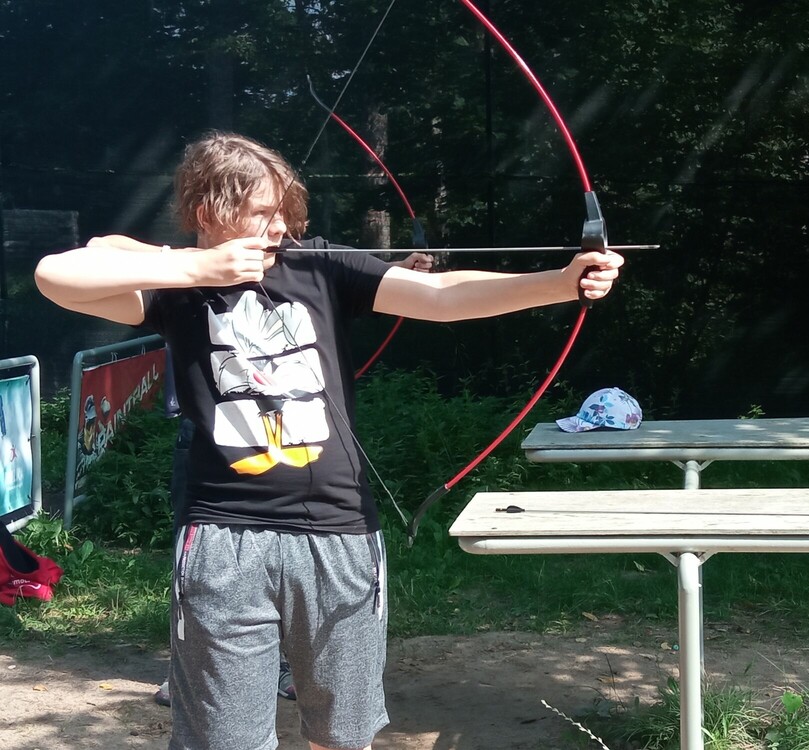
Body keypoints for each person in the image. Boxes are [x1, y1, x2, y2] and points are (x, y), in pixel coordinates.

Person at [34, 131, 623, 750]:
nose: (279, 228)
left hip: (338, 532)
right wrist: (196, 268)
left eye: (284, 212)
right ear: (209, 211)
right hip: (223, 536)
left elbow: (441, 296)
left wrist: (561, 282)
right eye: (262, 213)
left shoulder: (316, 264)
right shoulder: (175, 282)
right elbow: (55, 275)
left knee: (342, 737)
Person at [152, 251, 433, 709]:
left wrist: (393, 272)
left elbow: (432, 293)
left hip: (315, 482)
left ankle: (287, 665)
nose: (272, 234)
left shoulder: (312, 266)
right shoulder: (183, 275)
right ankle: (189, 670)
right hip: (217, 450)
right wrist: (198, 266)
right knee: (205, 578)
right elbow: (91, 256)